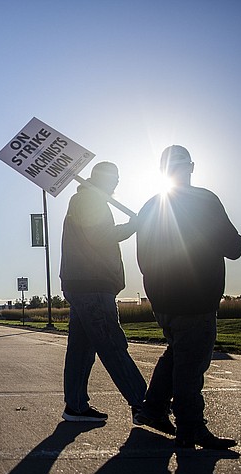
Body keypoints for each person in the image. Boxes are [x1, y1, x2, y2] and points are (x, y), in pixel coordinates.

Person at [135, 146, 241, 449]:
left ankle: (154, 408)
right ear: (191, 167)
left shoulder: (149, 207)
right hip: (195, 299)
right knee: (191, 366)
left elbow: (143, 260)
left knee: (177, 355)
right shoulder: (204, 200)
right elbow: (233, 248)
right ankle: (191, 427)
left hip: (164, 303)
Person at [59, 162, 147, 423]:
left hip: (83, 283)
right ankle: (143, 404)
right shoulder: (88, 200)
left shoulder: (87, 199)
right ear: (103, 179)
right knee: (112, 345)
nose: (117, 183)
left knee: (81, 349)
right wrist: (134, 226)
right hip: (92, 284)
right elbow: (100, 236)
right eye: (114, 178)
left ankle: (75, 406)